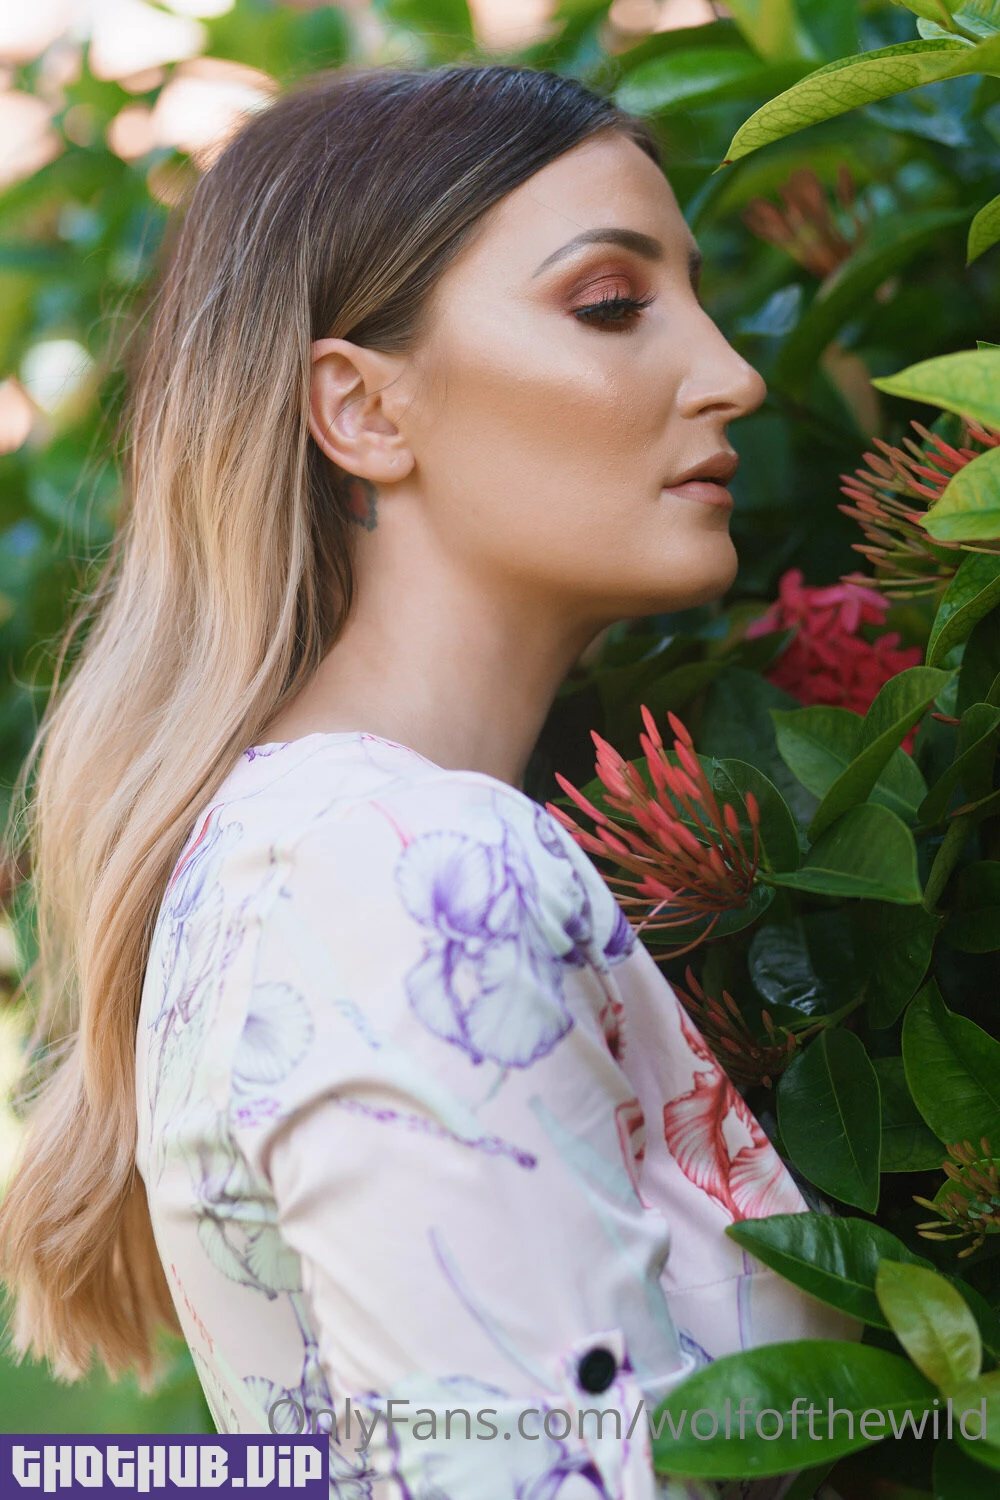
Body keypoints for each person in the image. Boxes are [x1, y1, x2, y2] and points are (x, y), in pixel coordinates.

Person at [0, 63, 856, 1500]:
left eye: (693, 296)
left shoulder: (296, 850)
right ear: (362, 410)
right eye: (611, 304)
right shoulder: (407, 869)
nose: (733, 373)